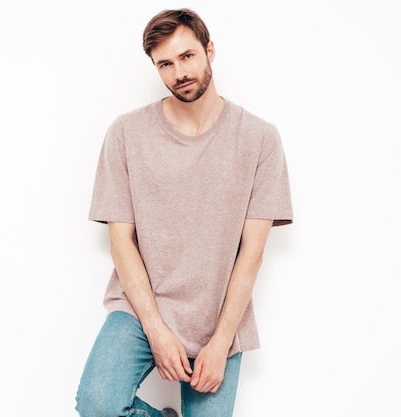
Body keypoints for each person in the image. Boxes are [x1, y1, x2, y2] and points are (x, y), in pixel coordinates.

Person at [75, 8, 293, 417]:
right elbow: (121, 243)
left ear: (210, 51)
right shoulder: (125, 134)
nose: (179, 72)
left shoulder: (260, 139)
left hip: (218, 317)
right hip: (141, 308)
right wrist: (156, 330)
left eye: (188, 56)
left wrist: (221, 339)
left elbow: (252, 253)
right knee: (97, 403)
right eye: (166, 64)